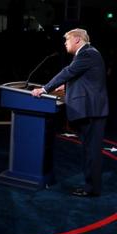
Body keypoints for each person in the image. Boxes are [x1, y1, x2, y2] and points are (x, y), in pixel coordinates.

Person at [31, 28, 108, 197]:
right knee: (89, 151)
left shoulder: (87, 53)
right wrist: (66, 86)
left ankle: (92, 189)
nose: (65, 44)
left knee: (92, 152)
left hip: (91, 111)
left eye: (67, 40)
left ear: (77, 40)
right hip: (91, 110)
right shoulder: (89, 54)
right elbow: (86, 80)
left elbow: (68, 72)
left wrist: (45, 88)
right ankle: (90, 186)